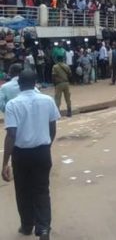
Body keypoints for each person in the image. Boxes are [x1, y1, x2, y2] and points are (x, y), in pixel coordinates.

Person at [2, 69, 60, 240]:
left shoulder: (13, 105)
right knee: (42, 190)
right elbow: (52, 127)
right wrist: (47, 145)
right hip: (42, 152)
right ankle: (43, 229)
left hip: (21, 154)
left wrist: (5, 163)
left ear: (19, 85)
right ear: (35, 83)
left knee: (23, 190)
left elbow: (11, 134)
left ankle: (27, 226)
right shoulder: (48, 100)